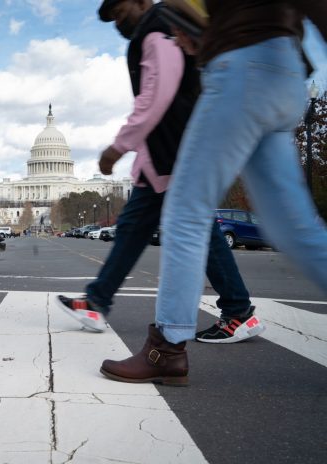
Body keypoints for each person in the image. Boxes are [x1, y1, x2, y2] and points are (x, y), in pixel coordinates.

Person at [101, 0, 327, 386]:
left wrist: (200, 36)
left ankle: (167, 349)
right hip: (284, 69)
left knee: (184, 214)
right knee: (295, 229)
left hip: (240, 65)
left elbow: (187, 8)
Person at [56, 0, 264, 345]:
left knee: (195, 236)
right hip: (163, 157)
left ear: (141, 2)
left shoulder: (157, 30)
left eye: (121, 14)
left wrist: (118, 147)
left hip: (176, 154)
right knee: (135, 231)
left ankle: (232, 314)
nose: (119, 24)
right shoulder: (156, 29)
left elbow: (156, 97)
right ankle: (96, 302)